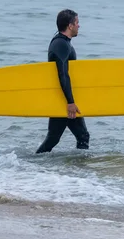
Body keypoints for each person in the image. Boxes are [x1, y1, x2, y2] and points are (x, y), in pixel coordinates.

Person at [36, 9, 90, 153]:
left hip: (64, 98)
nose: (79, 26)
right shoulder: (60, 44)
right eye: (77, 22)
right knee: (56, 138)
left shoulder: (63, 42)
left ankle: (77, 169)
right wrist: (70, 102)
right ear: (70, 25)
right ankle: (32, 164)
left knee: (81, 136)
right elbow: (62, 74)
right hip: (63, 99)